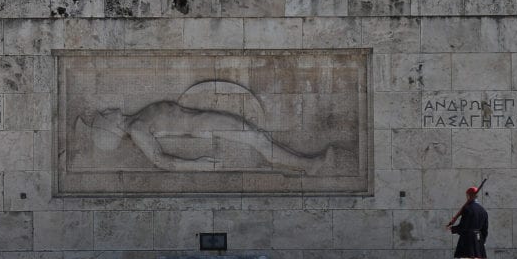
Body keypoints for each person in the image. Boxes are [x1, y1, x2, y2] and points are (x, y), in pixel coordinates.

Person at [83, 102, 335, 174]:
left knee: (258, 137)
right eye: (105, 115)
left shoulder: (137, 118)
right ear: (112, 126)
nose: (107, 109)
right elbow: (162, 161)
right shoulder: (137, 129)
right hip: (203, 125)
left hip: (203, 120)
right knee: (258, 139)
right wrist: (198, 164)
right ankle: (306, 165)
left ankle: (303, 163)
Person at [448, 185, 489, 259]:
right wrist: (482, 242)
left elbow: (463, 227)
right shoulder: (483, 210)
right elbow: (485, 230)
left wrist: (452, 229)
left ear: (467, 196)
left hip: (467, 242)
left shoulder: (467, 209)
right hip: (479, 242)